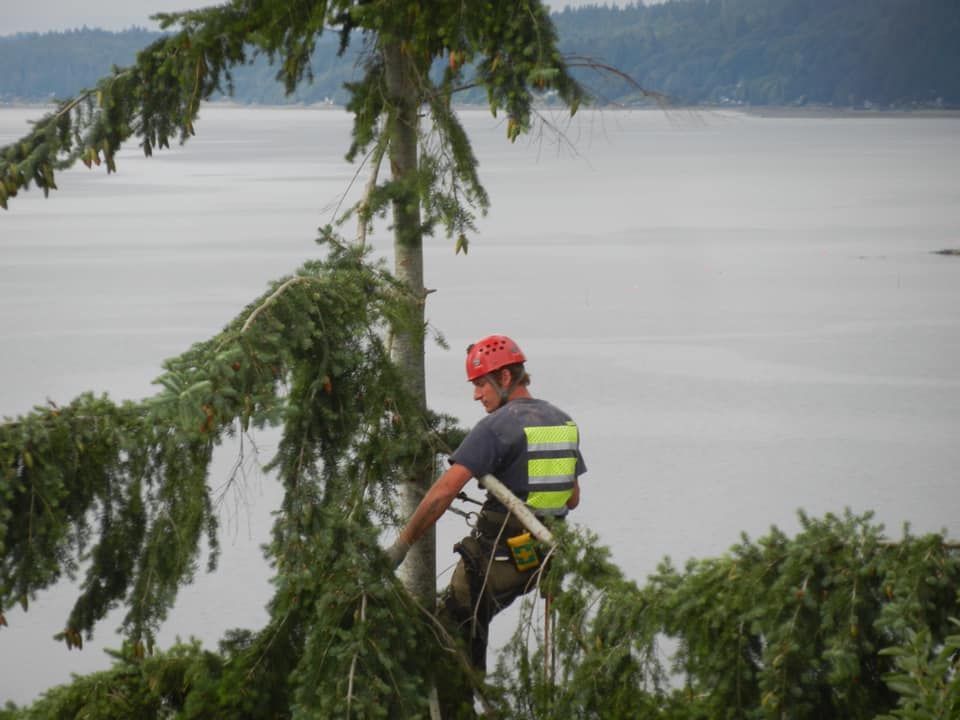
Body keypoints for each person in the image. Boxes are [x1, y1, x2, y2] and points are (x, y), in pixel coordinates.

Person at [386, 334, 586, 671]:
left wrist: (402, 545)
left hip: (497, 563)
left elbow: (441, 494)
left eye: (481, 384)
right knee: (468, 637)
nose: (476, 394)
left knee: (448, 644)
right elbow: (572, 497)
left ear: (505, 378)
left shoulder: (497, 427)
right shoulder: (564, 422)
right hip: (540, 564)